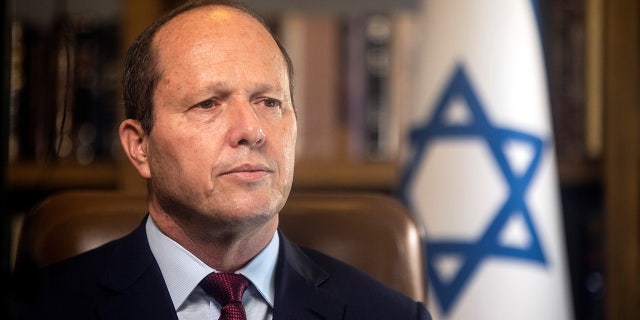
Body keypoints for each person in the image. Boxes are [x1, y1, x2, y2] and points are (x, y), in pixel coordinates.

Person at [17, 0, 432, 319]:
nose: (251, 130)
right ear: (139, 146)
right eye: (207, 104)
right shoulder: (39, 308)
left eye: (269, 101)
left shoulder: (389, 314)